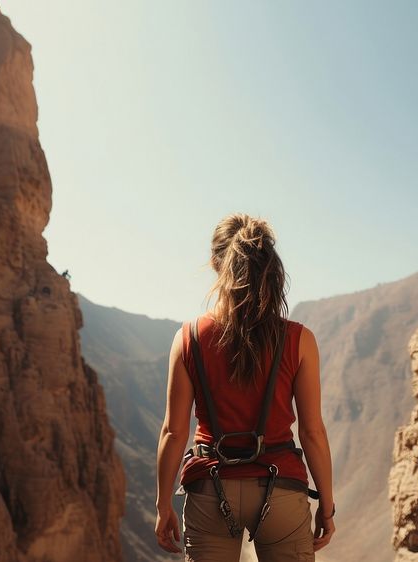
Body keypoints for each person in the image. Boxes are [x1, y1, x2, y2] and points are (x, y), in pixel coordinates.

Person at [154, 213, 335, 561]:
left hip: (209, 487)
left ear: (214, 262)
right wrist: (327, 505)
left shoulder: (188, 338)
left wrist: (164, 505)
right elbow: (312, 431)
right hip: (281, 486)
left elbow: (173, 432)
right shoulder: (298, 340)